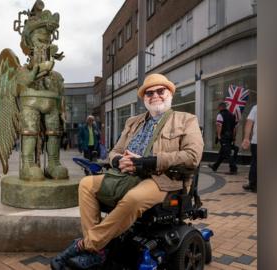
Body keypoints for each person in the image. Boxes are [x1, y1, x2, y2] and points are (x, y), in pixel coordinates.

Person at [51, 73, 204, 269]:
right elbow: (114, 151)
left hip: (162, 179)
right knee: (86, 185)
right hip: (125, 175)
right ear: (144, 98)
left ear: (170, 93)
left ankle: (89, 245)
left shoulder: (186, 120)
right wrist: (118, 161)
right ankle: (98, 251)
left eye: (160, 91)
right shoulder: (133, 121)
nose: (155, 95)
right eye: (149, 93)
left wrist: (147, 162)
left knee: (133, 199)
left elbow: (193, 156)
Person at [208, 102, 238, 174]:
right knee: (222, 152)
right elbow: (234, 128)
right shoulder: (232, 115)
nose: (218, 109)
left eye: (218, 107)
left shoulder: (220, 115)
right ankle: (215, 166)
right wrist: (234, 137)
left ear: (220, 107)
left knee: (227, 153)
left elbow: (219, 126)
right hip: (230, 136)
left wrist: (218, 135)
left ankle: (233, 169)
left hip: (224, 137)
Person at [241, 105, 257, 192]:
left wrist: (246, 138)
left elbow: (249, 123)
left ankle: (253, 184)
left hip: (257, 141)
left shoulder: (256, 107)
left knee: (255, 162)